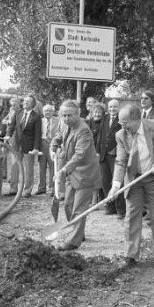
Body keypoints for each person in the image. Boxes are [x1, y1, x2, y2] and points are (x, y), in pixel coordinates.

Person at [109, 104, 154, 268]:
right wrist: (115, 186)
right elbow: (120, 162)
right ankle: (131, 255)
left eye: (125, 123)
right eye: (121, 124)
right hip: (134, 179)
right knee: (131, 217)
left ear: (137, 119)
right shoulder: (121, 135)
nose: (123, 127)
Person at [51, 100, 101, 251]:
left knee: (79, 208)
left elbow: (79, 155)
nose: (66, 118)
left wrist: (63, 171)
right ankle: (79, 233)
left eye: (69, 115)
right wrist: (53, 146)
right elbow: (58, 136)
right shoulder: (65, 124)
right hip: (72, 173)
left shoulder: (83, 130)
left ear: (77, 114)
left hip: (85, 173)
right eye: (63, 115)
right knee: (68, 205)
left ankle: (73, 241)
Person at [7, 95, 42, 197]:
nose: (25, 103)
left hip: (29, 146)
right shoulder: (18, 113)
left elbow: (37, 133)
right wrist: (8, 135)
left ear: (33, 104)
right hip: (16, 145)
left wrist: (36, 147)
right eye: (25, 101)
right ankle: (13, 189)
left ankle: (27, 190)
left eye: (28, 101)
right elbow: (12, 126)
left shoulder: (36, 116)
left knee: (29, 169)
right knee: (14, 167)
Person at [98, 99, 126, 219]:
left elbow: (123, 136)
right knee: (105, 181)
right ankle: (110, 207)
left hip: (115, 154)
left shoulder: (121, 119)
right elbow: (101, 135)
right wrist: (98, 151)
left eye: (114, 107)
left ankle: (120, 210)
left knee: (117, 181)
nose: (112, 109)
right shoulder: (104, 118)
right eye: (110, 107)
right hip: (103, 154)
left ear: (118, 107)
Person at [35, 104, 60, 196]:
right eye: (45, 111)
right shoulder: (40, 121)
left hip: (52, 145)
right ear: (43, 112)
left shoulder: (58, 121)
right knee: (41, 167)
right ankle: (41, 188)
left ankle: (52, 188)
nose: (47, 112)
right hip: (42, 144)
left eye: (49, 110)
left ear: (53, 112)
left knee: (53, 167)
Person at [86, 101, 106, 205]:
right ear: (92, 113)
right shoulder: (88, 123)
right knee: (88, 178)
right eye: (95, 112)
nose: (97, 114)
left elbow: (102, 140)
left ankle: (95, 201)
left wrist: (98, 152)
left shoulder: (104, 124)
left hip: (98, 154)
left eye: (99, 112)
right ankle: (89, 199)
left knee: (96, 178)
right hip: (88, 154)